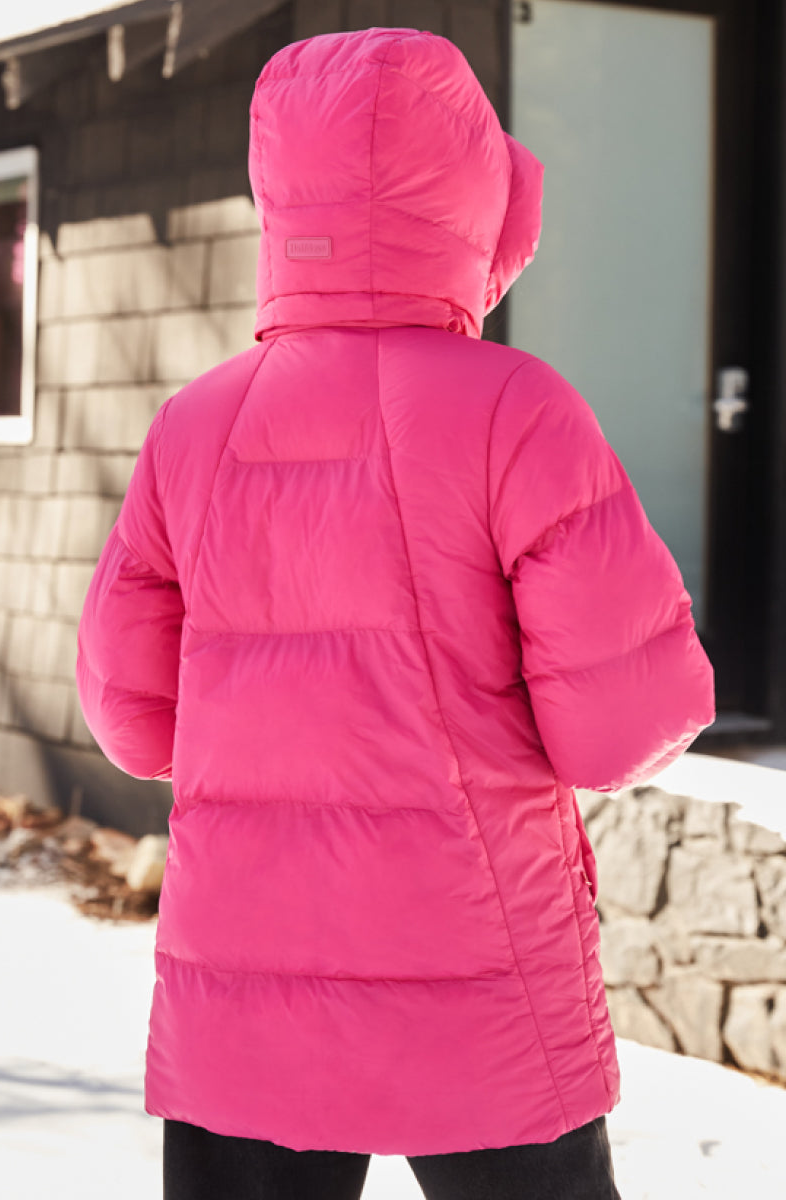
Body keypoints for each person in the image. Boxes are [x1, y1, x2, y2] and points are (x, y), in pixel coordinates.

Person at [76, 26, 715, 1200]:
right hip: (474, 978)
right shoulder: (517, 410)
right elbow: (624, 724)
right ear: (469, 196)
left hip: (244, 995)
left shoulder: (192, 427)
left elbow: (133, 722)